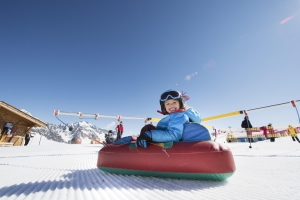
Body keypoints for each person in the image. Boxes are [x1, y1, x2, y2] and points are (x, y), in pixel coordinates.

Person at [136, 90, 201, 148]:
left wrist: (149, 135)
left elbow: (174, 135)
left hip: (173, 144)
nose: (171, 105)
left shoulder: (179, 116)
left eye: (174, 102)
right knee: (148, 128)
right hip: (165, 138)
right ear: (164, 107)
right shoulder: (175, 116)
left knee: (147, 129)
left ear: (181, 103)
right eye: (167, 104)